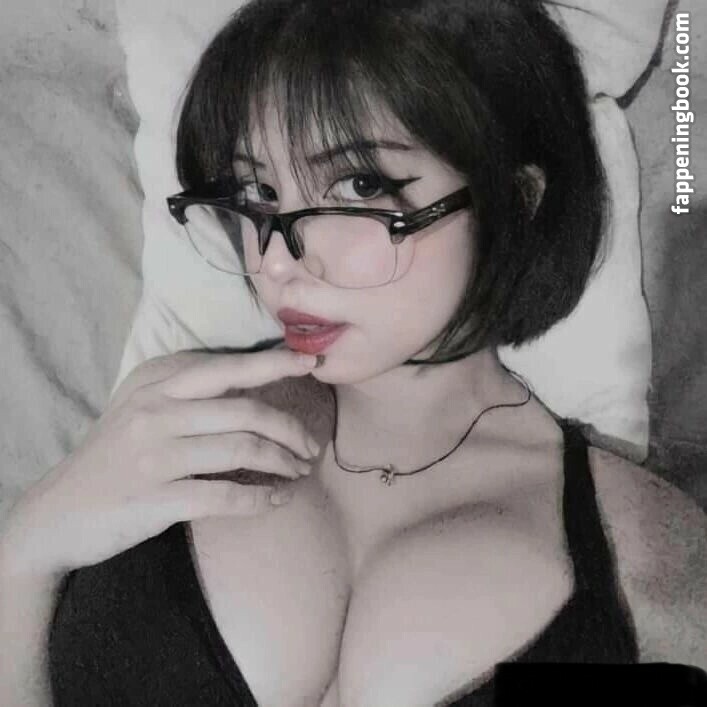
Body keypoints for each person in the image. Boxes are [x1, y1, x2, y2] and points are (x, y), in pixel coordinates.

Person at [1, 0, 705, 705]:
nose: (278, 261)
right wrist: (28, 549)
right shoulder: (168, 418)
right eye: (258, 192)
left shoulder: (641, 547)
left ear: (514, 201)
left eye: (360, 186)